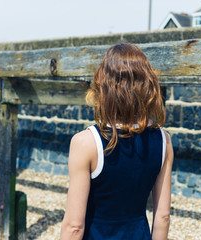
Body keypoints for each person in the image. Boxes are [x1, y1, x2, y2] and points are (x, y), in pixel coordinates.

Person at [60, 42, 173, 240]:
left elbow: (74, 226)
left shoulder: (86, 142)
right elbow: (162, 216)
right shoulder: (164, 140)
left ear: (103, 86)